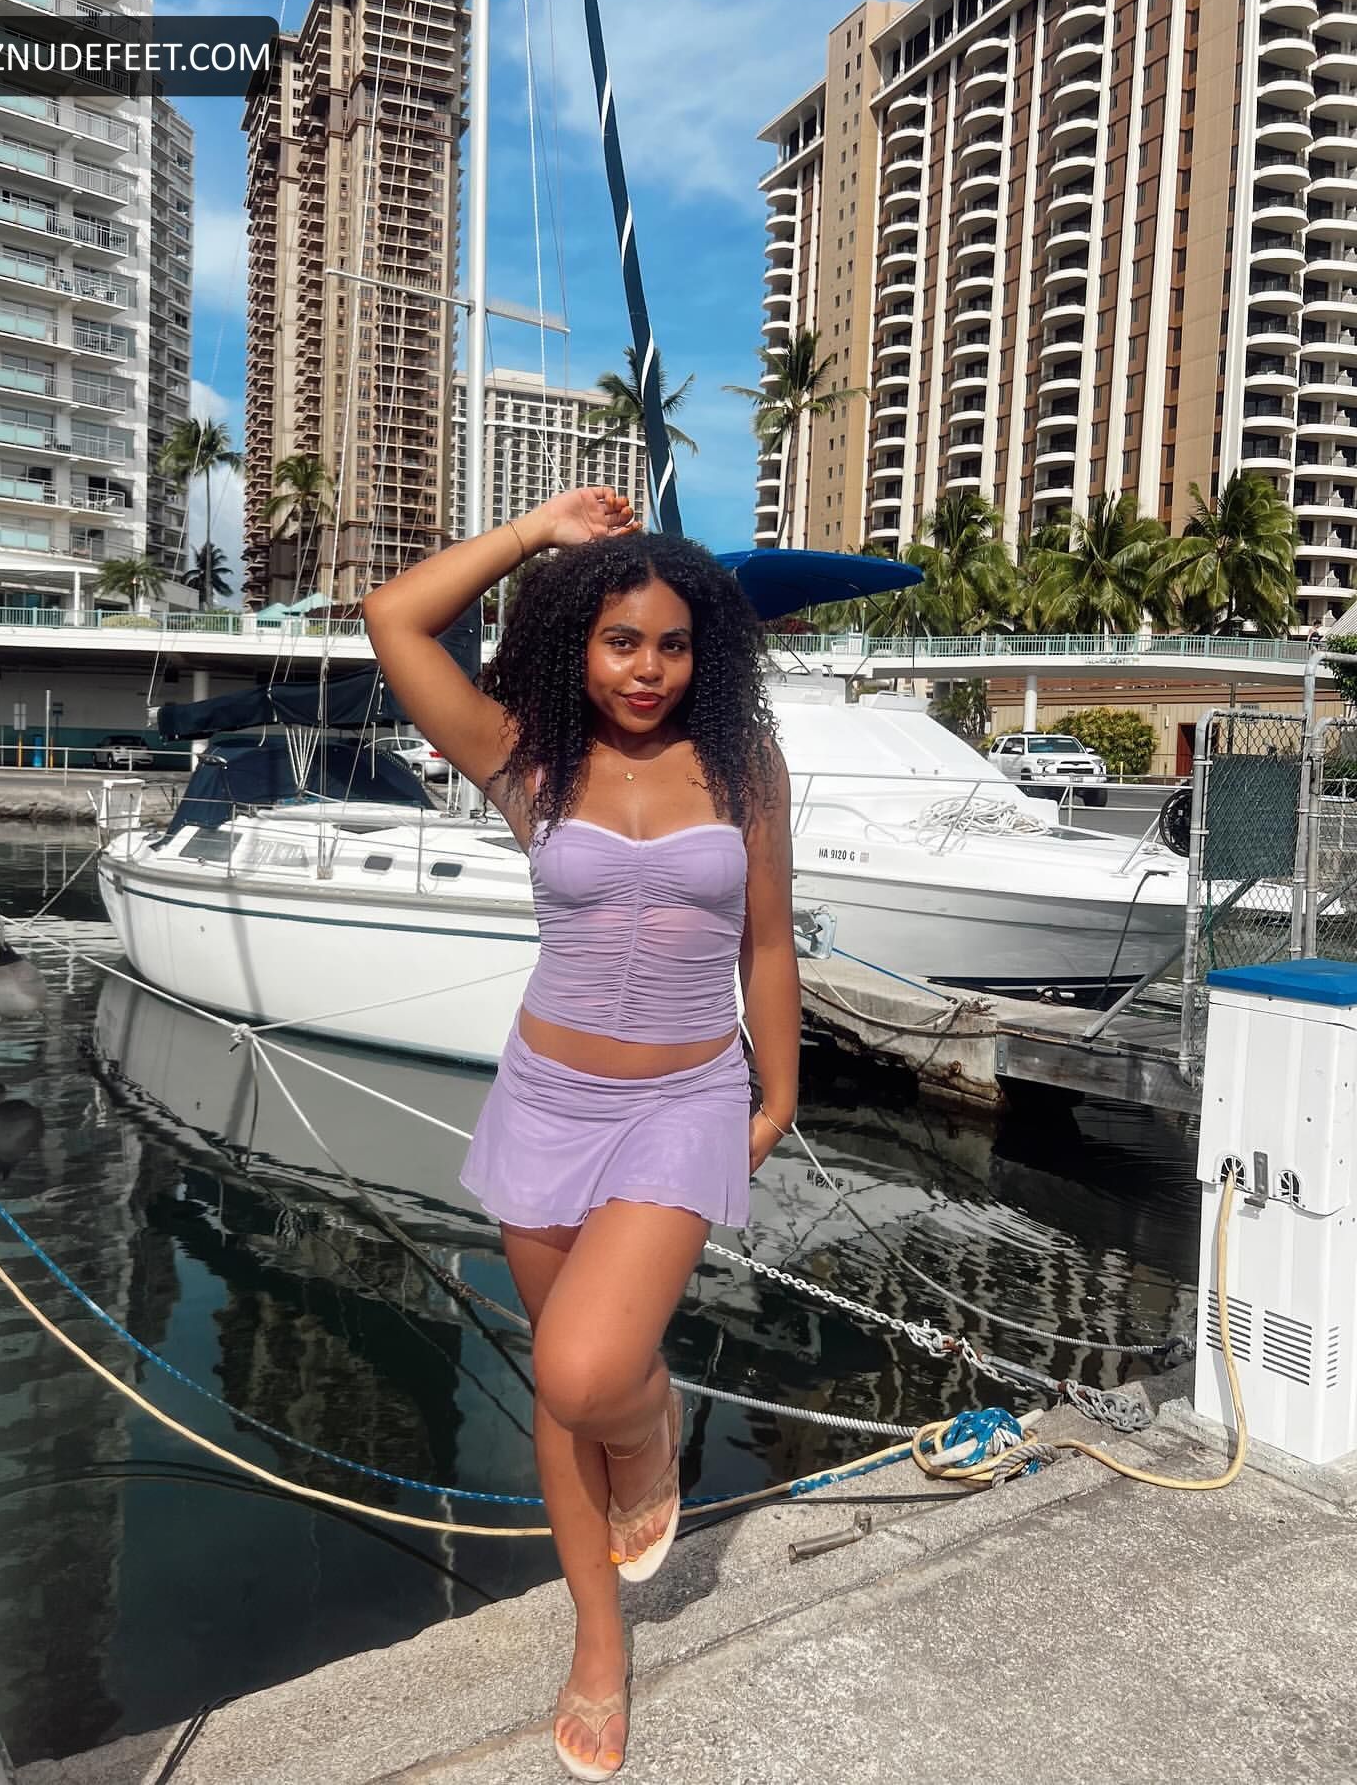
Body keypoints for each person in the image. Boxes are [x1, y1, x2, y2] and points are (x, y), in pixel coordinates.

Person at [363, 485, 800, 1781]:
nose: (647, 669)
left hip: (684, 1098)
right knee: (561, 1394)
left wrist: (778, 1094)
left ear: (703, 652)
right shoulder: (527, 755)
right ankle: (599, 1647)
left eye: (672, 644)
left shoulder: (744, 768)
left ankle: (651, 1425)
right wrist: (535, 533)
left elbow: (768, 943)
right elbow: (393, 618)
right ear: (578, 643)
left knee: (590, 1373)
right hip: (547, 1100)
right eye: (621, 642)